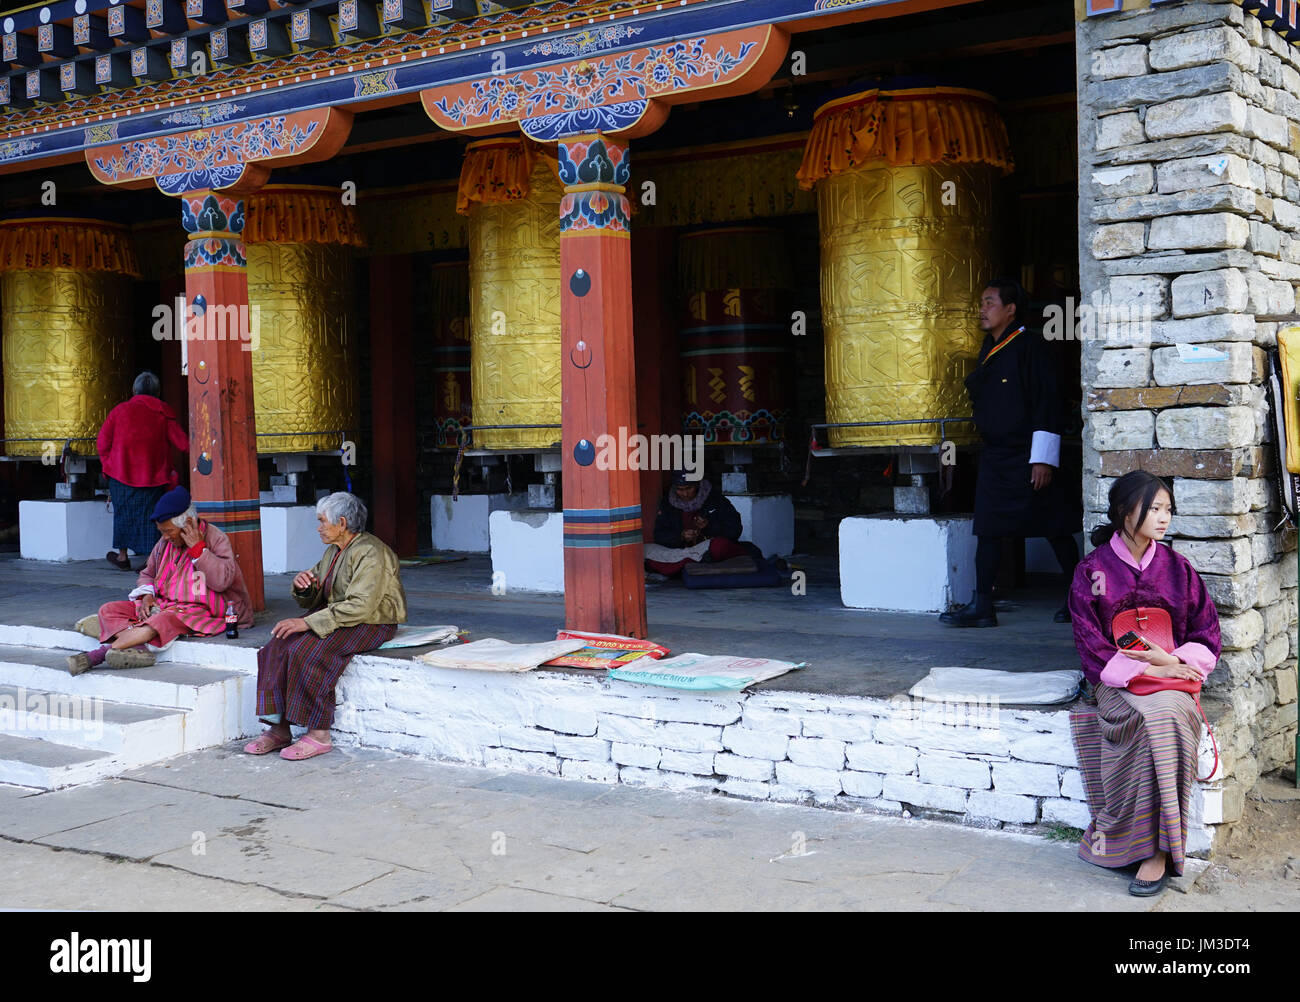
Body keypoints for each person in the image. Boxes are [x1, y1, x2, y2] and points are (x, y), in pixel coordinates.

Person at [1067, 471, 1220, 897]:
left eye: (1168, 509)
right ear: (1123, 512)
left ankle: (1159, 852)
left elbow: (1207, 634)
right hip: (1117, 683)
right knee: (1148, 722)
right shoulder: (1092, 571)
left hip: (1173, 682)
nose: (1163, 518)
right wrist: (1152, 669)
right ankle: (1137, 841)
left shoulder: (1177, 569)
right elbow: (1091, 645)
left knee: (1168, 718)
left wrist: (1173, 664)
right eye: (1153, 508)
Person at [941, 278, 1082, 628]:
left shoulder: (1032, 348)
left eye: (989, 302)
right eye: (981, 303)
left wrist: (1043, 458)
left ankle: (1080, 599)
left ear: (1010, 309)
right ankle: (982, 605)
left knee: (1055, 527)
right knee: (987, 528)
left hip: (1028, 456)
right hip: (996, 456)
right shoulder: (988, 349)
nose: (982, 309)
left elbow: (1047, 403)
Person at [245, 492, 407, 761]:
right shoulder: (334, 550)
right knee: (276, 646)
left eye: (322, 521)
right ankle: (279, 727)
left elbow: (361, 606)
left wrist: (307, 622)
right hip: (337, 616)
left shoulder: (372, 553)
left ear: (341, 523)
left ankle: (319, 734)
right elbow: (317, 591)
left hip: (372, 622)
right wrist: (304, 586)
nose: (318, 527)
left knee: (308, 652)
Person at [67, 486, 254, 674]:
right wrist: (147, 596)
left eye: (168, 531)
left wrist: (198, 549)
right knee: (108, 610)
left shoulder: (216, 538)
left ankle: (98, 655)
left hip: (202, 610)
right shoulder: (164, 543)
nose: (164, 537)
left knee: (160, 620)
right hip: (164, 605)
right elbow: (147, 574)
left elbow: (222, 581)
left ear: (187, 523)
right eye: (162, 532)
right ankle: (138, 646)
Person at [97, 371, 188, 571]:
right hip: (153, 476)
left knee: (123, 514)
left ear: (133, 390)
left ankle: (122, 557)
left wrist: (109, 464)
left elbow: (102, 442)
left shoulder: (119, 410)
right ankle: (150, 560)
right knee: (152, 517)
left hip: (120, 474)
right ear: (158, 392)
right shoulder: (164, 413)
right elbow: (183, 444)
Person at [645, 471, 761, 577]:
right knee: (645, 550)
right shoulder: (668, 503)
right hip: (682, 551)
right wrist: (680, 535)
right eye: (680, 489)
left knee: (719, 546)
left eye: (688, 488)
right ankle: (692, 564)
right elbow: (659, 535)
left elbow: (735, 529)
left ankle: (683, 566)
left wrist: (709, 526)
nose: (685, 494)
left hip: (707, 549)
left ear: (697, 485)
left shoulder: (715, 499)